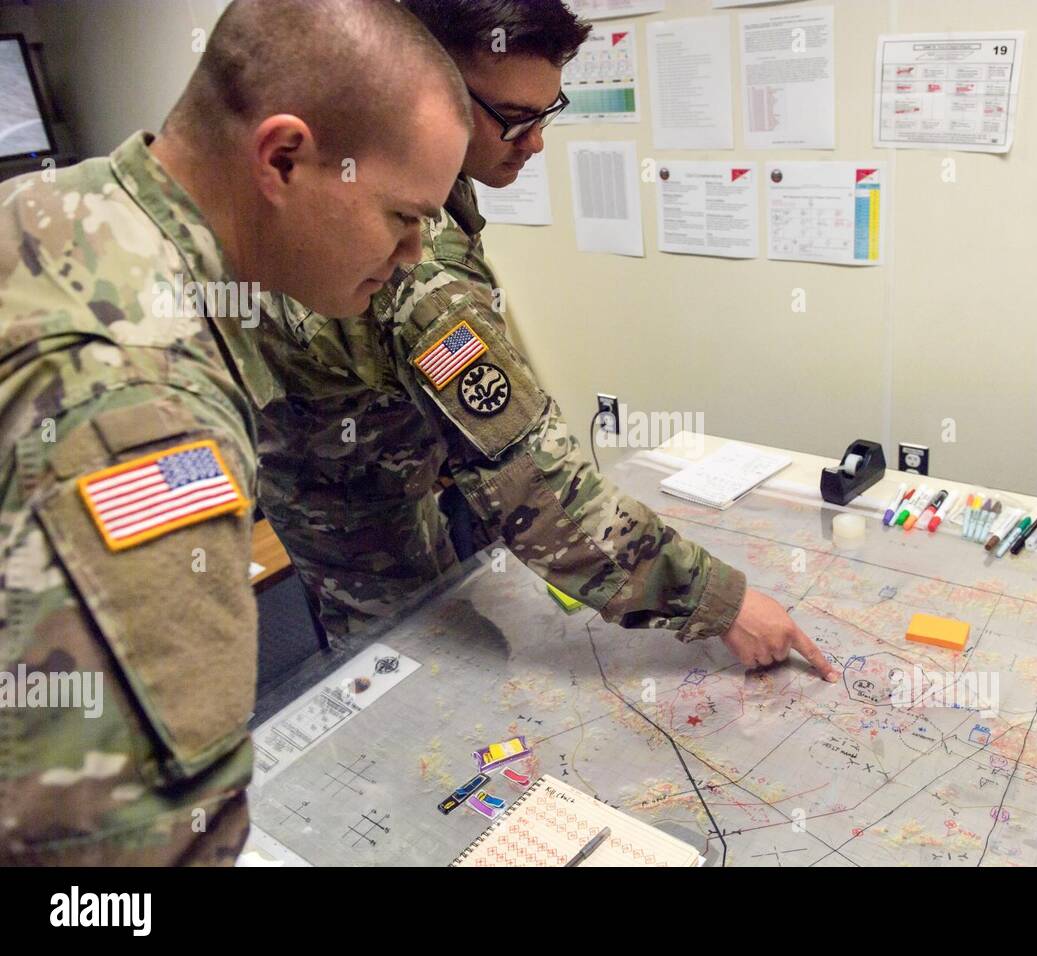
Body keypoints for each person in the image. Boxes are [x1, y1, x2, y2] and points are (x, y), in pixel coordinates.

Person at [0, 0, 470, 864]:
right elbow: (120, 862)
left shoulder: (54, 207)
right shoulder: (151, 410)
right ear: (283, 158)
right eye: (402, 216)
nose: (412, 255)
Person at [253, 0, 837, 681]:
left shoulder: (403, 194)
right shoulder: (418, 269)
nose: (535, 143)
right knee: (418, 698)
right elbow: (542, 491)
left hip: (397, 484)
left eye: (547, 112)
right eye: (514, 119)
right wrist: (723, 603)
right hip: (361, 534)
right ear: (425, 88)